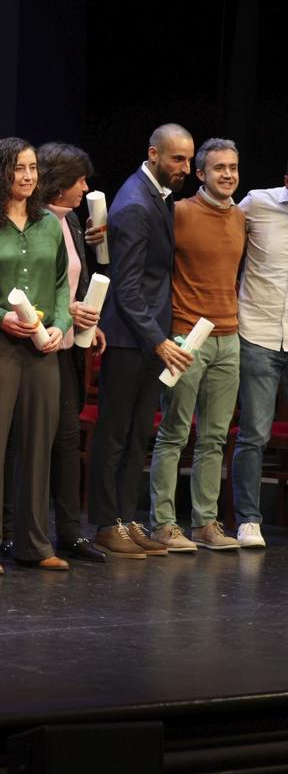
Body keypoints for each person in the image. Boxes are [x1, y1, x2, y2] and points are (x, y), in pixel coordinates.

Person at [0, 138, 70, 574]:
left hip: (42, 346)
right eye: (17, 169)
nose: (27, 177)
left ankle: (33, 542)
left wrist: (61, 326)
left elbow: (63, 282)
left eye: (32, 168)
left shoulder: (49, 222)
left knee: (38, 444)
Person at [90, 124, 195, 559]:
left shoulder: (156, 195)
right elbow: (127, 287)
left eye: (188, 160)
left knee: (136, 437)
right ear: (154, 153)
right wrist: (158, 341)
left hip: (147, 340)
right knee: (115, 434)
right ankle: (104, 522)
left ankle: (126, 517)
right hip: (128, 340)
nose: (185, 168)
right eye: (177, 159)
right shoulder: (135, 202)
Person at [149, 139, 244, 552]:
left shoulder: (242, 217)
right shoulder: (180, 213)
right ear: (201, 174)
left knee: (215, 438)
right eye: (219, 167)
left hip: (230, 338)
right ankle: (163, 524)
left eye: (234, 167)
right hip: (187, 337)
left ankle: (206, 522)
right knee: (173, 434)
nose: (228, 174)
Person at [27, 142, 107, 563]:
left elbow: (76, 281)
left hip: (68, 343)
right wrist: (62, 312)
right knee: (35, 442)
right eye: (79, 180)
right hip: (37, 341)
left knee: (67, 438)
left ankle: (71, 532)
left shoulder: (72, 221)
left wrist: (89, 323)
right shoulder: (34, 221)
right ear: (58, 183)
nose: (85, 187)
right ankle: (22, 532)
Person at [231, 163, 288, 548]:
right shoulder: (257, 204)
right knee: (254, 434)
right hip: (258, 333)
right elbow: (213, 225)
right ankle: (249, 519)